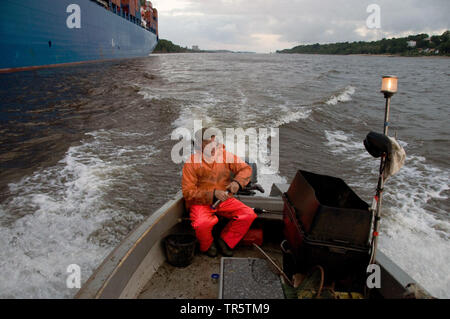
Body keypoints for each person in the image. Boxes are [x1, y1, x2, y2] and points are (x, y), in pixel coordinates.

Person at [181, 128, 257, 257]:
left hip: (224, 199)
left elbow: (246, 169)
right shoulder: (191, 163)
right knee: (201, 224)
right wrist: (213, 194)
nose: (212, 146)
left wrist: (237, 182)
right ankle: (207, 245)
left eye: (214, 142)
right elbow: (188, 193)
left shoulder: (225, 155)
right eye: (207, 143)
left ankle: (225, 241)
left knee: (248, 214)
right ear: (199, 145)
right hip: (201, 202)